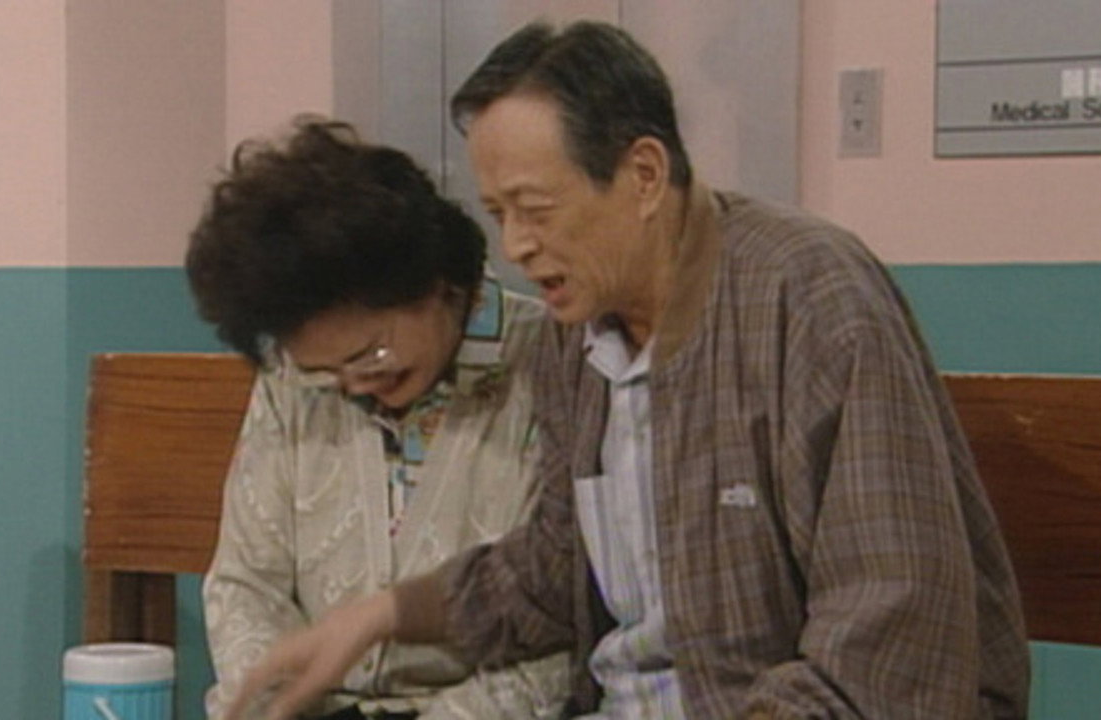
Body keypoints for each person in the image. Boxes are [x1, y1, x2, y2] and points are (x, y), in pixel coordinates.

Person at [224, 22, 1031, 720]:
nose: (515, 247)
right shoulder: (578, 343)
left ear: (644, 175)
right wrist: (378, 617)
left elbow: (888, 640)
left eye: (536, 210)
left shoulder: (809, 297)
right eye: (498, 214)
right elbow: (552, 572)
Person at [185, 117, 568, 719]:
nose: (357, 386)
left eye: (372, 354)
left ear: (438, 284)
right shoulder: (293, 382)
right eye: (326, 371)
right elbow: (246, 584)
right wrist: (275, 704)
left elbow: (563, 628)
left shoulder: (551, 364)